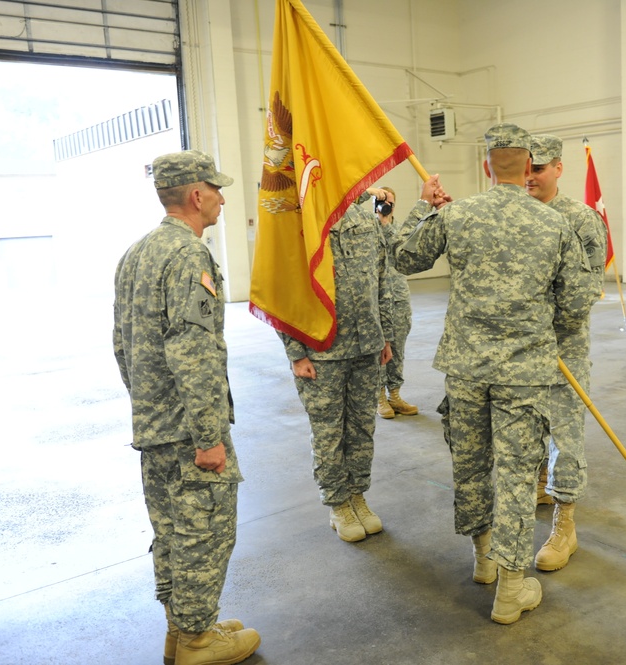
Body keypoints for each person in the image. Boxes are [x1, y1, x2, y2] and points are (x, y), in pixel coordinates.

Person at [395, 124, 597, 624]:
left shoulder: (457, 213)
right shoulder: (553, 225)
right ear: (528, 166)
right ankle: (510, 586)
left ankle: (483, 557)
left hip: (464, 368)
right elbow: (576, 301)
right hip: (522, 371)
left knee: (469, 462)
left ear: (488, 166)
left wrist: (425, 205)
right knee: (516, 472)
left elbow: (403, 257)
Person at [113, 149, 260, 665]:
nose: (222, 198)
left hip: (153, 425)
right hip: (186, 430)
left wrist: (146, 405)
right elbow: (191, 352)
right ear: (197, 196)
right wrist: (208, 437)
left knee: (172, 531)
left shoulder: (136, 253)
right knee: (206, 530)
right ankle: (200, 642)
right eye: (216, 189)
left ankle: (182, 630)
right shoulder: (188, 257)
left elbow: (121, 344)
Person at [279, 186, 393, 543]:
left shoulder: (365, 216)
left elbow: (381, 278)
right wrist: (295, 352)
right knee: (329, 433)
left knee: (361, 429)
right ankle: (338, 504)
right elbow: (285, 288)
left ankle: (358, 494)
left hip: (366, 344)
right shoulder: (301, 218)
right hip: (321, 348)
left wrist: (385, 334)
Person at [526, 134, 607, 572]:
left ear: (558, 167)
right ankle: (539, 487)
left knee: (565, 435)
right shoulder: (511, 216)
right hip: (517, 350)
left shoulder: (581, 219)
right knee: (525, 429)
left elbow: (588, 288)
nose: (529, 177)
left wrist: (535, 312)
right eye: (524, 169)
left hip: (561, 347)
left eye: (537, 168)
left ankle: (565, 525)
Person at [373, 185, 420, 419]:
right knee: (379, 349)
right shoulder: (366, 229)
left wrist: (387, 222)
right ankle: (380, 396)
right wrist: (379, 222)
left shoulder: (399, 230)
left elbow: (402, 250)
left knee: (398, 348)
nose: (384, 206)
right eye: (381, 201)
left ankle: (395, 394)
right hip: (376, 299)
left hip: (398, 297)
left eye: (389, 202)